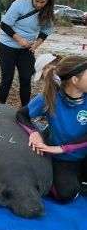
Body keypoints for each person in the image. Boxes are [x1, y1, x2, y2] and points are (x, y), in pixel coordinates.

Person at [16, 56, 87, 203]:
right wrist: (34, 133)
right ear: (74, 80)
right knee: (65, 196)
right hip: (64, 159)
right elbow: (21, 115)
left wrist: (63, 148)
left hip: (77, 151)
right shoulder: (49, 97)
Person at [0, 0, 54, 107]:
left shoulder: (47, 11)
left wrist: (35, 45)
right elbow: (4, 25)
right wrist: (20, 40)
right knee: (7, 79)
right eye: (36, 1)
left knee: (25, 79)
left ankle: (25, 110)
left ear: (48, 1)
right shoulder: (19, 4)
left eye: (42, 2)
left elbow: (45, 32)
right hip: (7, 45)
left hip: (26, 49)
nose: (38, 4)